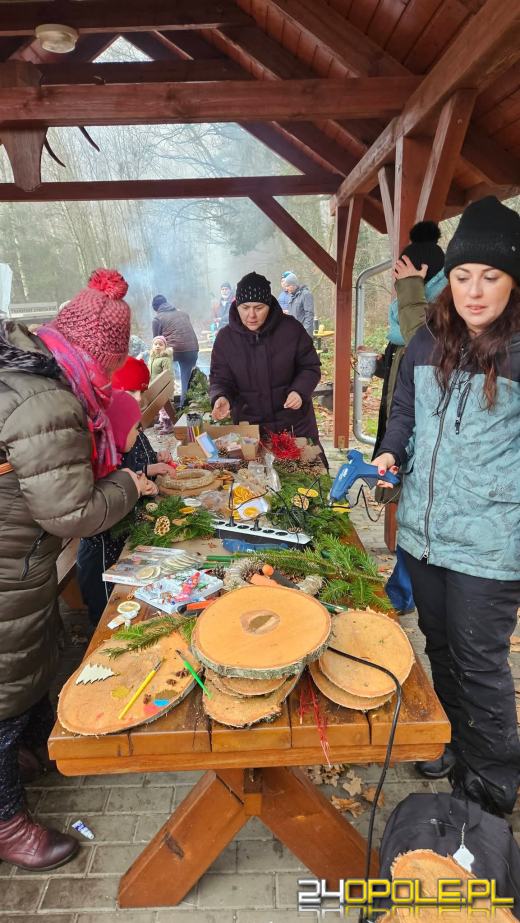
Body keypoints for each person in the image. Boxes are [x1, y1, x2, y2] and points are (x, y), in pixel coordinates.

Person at [374, 196, 520, 816]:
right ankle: (460, 746)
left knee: (480, 662)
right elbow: (403, 411)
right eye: (463, 276)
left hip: (490, 544)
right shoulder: (426, 340)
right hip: (423, 535)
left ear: (513, 280)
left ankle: (491, 782)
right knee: (437, 646)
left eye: (490, 276)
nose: (475, 291)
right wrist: (388, 452)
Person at [0, 269, 145, 870]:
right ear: (93, 355)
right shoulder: (49, 399)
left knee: (29, 666)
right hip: (9, 565)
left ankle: (21, 758)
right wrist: (131, 484)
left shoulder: (34, 372)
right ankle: (7, 823)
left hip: (16, 558)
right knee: (3, 687)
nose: (109, 382)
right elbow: (72, 511)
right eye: (110, 368)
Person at [373, 222, 446, 616]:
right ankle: (401, 591)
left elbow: (423, 345)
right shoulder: (407, 317)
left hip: (430, 445)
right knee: (411, 519)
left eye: (401, 277)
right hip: (407, 437)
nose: (395, 283)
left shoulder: (436, 315)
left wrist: (410, 292)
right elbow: (403, 395)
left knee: (420, 525)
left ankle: (402, 594)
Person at [77, 390, 164, 625]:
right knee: (107, 615)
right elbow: (102, 507)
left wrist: (142, 486)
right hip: (101, 557)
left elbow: (130, 480)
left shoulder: (117, 454)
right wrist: (134, 488)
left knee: (122, 609)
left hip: (118, 548)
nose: (138, 435)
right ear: (117, 429)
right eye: (135, 429)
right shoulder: (97, 464)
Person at [209, 271, 323, 451]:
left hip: (295, 425)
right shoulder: (225, 339)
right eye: (245, 307)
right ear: (237, 305)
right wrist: (221, 396)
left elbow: (310, 367)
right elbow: (220, 378)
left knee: (308, 474)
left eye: (259, 308)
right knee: (256, 477)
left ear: (269, 305)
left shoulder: (291, 329)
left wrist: (299, 391)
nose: (251, 315)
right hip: (252, 431)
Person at [151, 294, 199, 406]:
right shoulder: (183, 314)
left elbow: (156, 342)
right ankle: (184, 406)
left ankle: (163, 405)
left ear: (155, 308)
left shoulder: (157, 318)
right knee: (186, 378)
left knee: (157, 369)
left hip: (175, 351)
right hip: (193, 349)